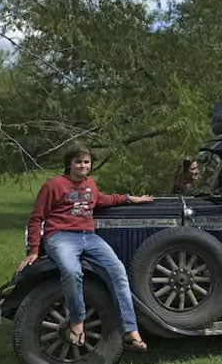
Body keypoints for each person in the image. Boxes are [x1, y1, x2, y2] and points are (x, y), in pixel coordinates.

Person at [16, 144, 153, 352]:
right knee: (72, 271)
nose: (82, 166)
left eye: (86, 162)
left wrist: (129, 199)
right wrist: (34, 250)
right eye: (78, 162)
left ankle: (131, 331)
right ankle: (77, 322)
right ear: (69, 165)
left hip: (89, 237)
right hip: (60, 237)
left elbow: (102, 200)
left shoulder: (90, 184)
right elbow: (36, 218)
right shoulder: (53, 185)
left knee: (118, 271)